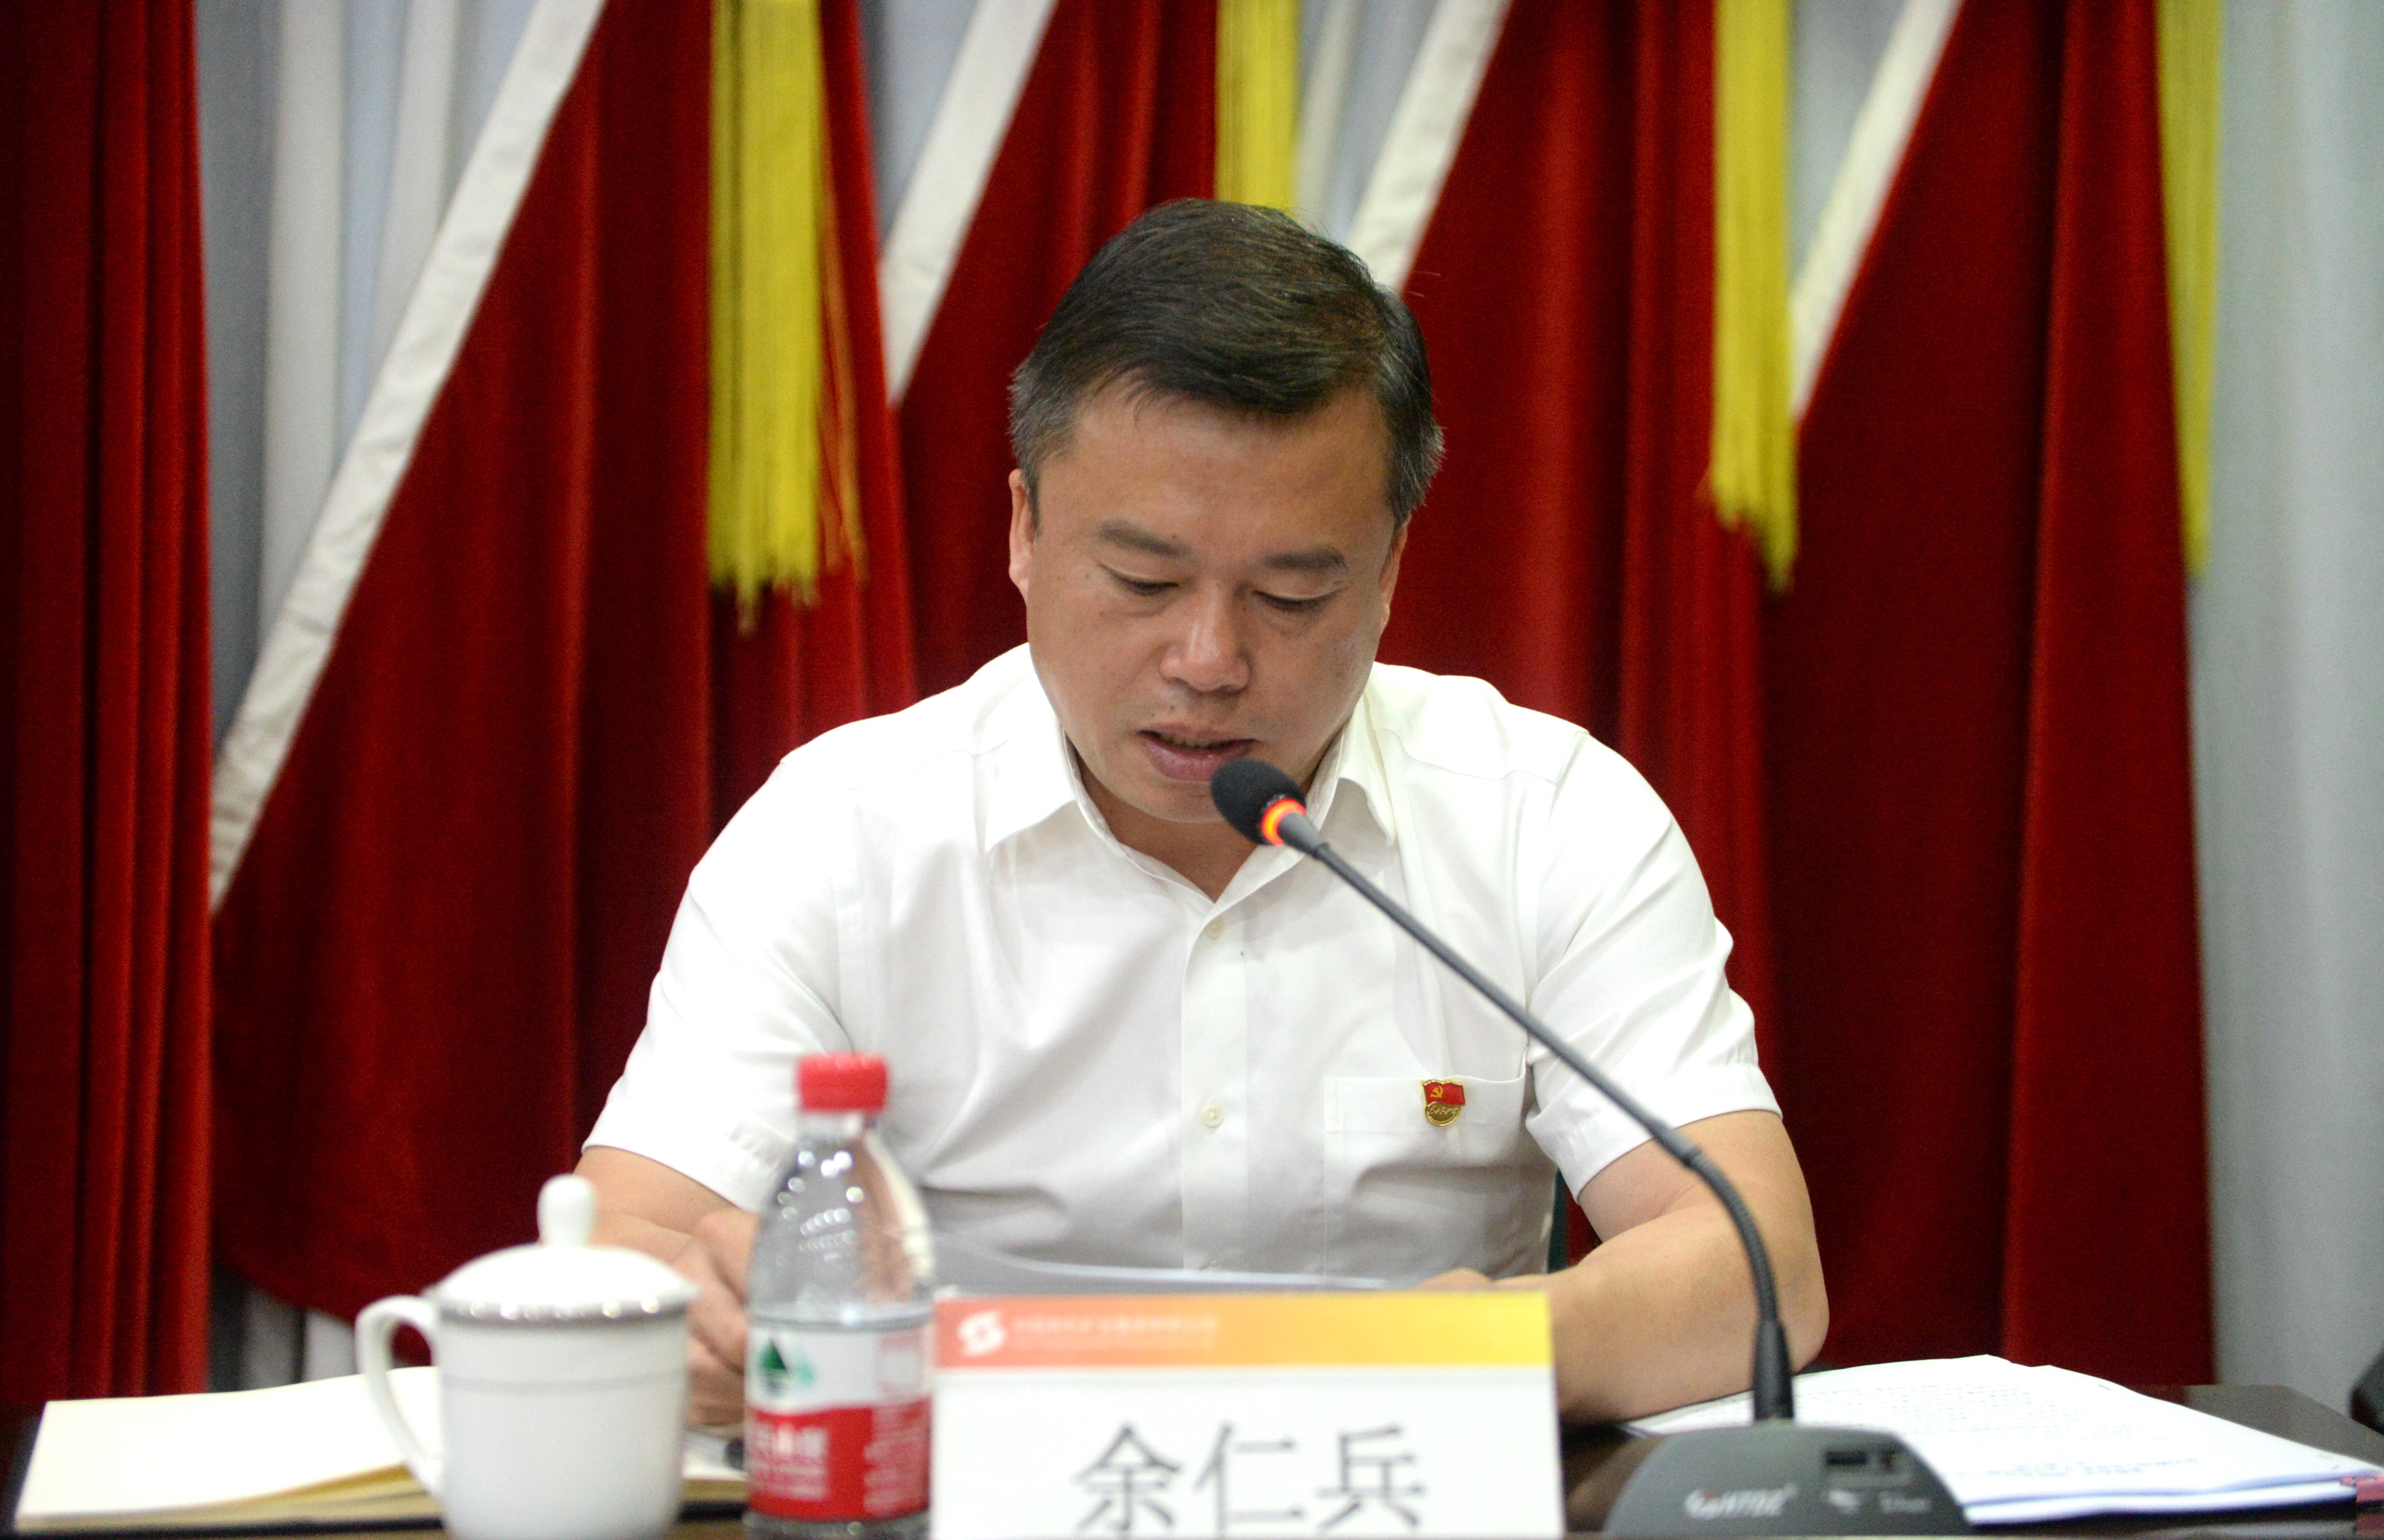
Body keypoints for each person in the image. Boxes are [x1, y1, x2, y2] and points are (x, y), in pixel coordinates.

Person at [578, 199, 1826, 1427]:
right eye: (1143, 579)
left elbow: (1754, 1264)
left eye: (1291, 596)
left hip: (1400, 1499)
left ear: (1390, 568)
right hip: (961, 1513)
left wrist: (1452, 1352)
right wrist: (706, 1322)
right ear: (1024, 531)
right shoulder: (840, 835)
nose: (1209, 660)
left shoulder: (1544, 819)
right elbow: (628, 1246)